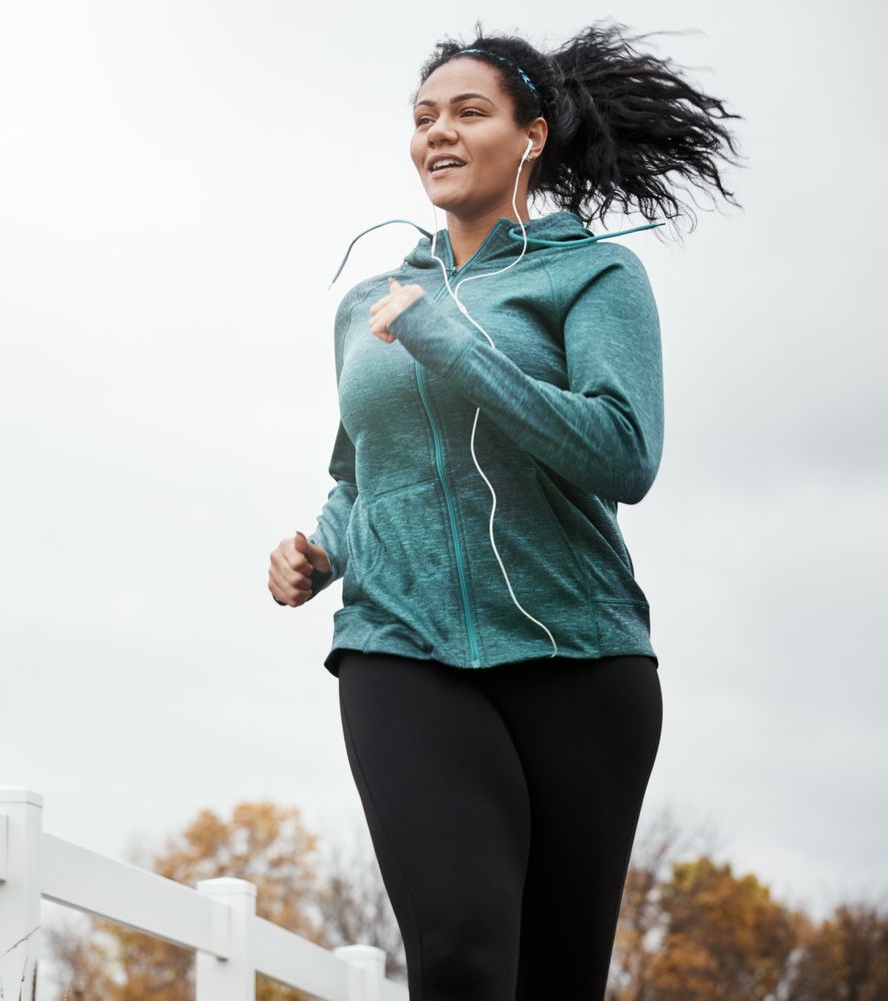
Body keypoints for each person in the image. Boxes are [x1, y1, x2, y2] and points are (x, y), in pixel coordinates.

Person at [266, 20, 742, 1000]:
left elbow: (622, 453)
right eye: (423, 116)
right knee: (466, 955)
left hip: (580, 657)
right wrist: (321, 551)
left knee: (553, 978)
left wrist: (454, 342)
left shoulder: (596, 277)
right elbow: (362, 476)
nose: (437, 133)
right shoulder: (369, 303)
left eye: (467, 111)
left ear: (531, 135)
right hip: (401, 644)